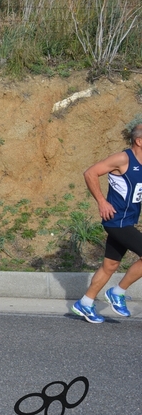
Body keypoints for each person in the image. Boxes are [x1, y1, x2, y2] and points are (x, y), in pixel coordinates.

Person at [71, 117, 142, 323]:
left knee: (110, 265)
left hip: (127, 220)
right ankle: (118, 292)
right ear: (139, 141)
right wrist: (102, 201)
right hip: (116, 220)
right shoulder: (123, 159)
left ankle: (84, 303)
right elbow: (90, 173)